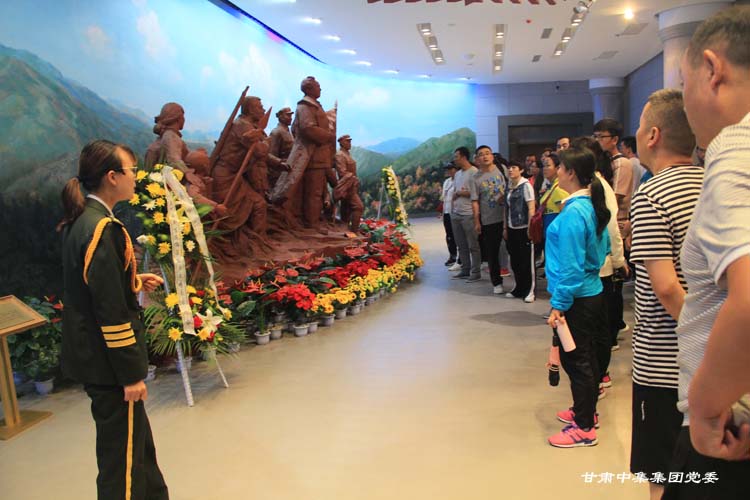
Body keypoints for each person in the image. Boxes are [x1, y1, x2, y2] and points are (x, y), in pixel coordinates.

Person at [663, 7, 750, 498]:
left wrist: (707, 408)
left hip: (731, 433)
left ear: (713, 70)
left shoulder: (735, 150)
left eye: (684, 82)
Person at [58, 140, 169, 499]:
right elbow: (110, 311)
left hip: (94, 358)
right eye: (131, 170)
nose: (136, 177)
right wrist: (130, 373)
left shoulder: (82, 220)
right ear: (112, 176)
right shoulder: (104, 228)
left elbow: (92, 287)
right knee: (121, 463)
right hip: (109, 366)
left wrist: (132, 280)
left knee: (138, 448)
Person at [629, 89, 702, 500]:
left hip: (664, 363)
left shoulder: (652, 194)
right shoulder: (712, 184)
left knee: (662, 477)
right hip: (719, 360)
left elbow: (666, 287)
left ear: (653, 135)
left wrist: (703, 337)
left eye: (641, 126)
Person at [546, 146, 611, 448]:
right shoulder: (590, 206)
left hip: (577, 298)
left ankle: (584, 427)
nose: (556, 172)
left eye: (559, 167)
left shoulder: (574, 212)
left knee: (577, 361)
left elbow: (571, 268)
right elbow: (603, 249)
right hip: (591, 292)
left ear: (571, 172)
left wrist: (559, 305)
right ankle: (586, 412)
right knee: (587, 357)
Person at [269, 76, 336, 232]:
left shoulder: (313, 105)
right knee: (314, 192)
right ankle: (311, 224)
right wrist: (328, 136)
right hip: (312, 155)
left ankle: (312, 222)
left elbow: (295, 128)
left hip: (318, 154)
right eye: (318, 86)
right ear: (309, 89)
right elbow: (308, 129)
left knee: (315, 191)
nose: (320, 89)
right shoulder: (305, 106)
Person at [594, 118, 631, 334]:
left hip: (617, 223)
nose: (598, 140)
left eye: (602, 137)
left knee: (614, 283)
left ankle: (615, 326)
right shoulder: (607, 162)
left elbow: (614, 198)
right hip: (608, 223)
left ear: (615, 139)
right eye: (596, 136)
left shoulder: (622, 163)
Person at [472, 145, 507, 294]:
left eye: (487, 153)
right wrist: (477, 221)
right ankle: (497, 282)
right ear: (477, 159)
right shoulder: (475, 178)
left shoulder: (502, 169)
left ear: (492, 156)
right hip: (489, 219)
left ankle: (520, 282)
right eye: (481, 154)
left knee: (513, 250)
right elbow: (475, 201)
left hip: (507, 217)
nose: (485, 156)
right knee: (492, 252)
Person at [504, 161, 536, 302]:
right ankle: (519, 287)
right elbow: (506, 209)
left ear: (521, 170)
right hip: (511, 227)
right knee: (515, 261)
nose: (510, 170)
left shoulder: (526, 185)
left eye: (514, 168)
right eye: (509, 168)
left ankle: (530, 290)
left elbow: (531, 208)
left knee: (526, 261)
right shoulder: (509, 186)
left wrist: (530, 227)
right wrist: (505, 227)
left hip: (523, 227)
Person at [450, 146, 481, 282]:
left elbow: (477, 193)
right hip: (456, 213)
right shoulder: (457, 174)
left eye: (456, 157)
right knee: (461, 245)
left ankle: (476, 272)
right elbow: (456, 191)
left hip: (469, 214)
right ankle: (465, 269)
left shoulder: (474, 172)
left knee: (473, 245)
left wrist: (460, 193)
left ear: (463, 157)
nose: (455, 160)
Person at [144, 102, 189, 172]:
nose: (184, 119)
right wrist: (188, 173)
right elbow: (174, 161)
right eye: (183, 116)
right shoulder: (171, 137)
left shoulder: (163, 138)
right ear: (178, 118)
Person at [333, 134, 363, 232]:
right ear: (341, 142)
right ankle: (354, 231)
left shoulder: (347, 154)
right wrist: (353, 178)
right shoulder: (339, 155)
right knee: (358, 207)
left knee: (346, 210)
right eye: (347, 141)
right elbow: (342, 172)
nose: (350, 143)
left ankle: (345, 230)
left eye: (350, 141)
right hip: (347, 186)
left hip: (352, 186)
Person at [268, 106, 294, 189]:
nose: (290, 118)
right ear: (281, 116)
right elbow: (271, 155)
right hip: (279, 176)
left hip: (288, 173)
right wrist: (280, 164)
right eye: (288, 115)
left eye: (291, 115)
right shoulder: (276, 132)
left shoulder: (289, 133)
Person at [440, 162, 458, 267]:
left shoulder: (459, 181)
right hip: (446, 212)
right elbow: (443, 197)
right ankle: (452, 255)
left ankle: (460, 258)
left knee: (457, 235)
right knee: (449, 235)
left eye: (451, 169)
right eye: (448, 169)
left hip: (456, 211)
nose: (449, 171)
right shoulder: (446, 182)